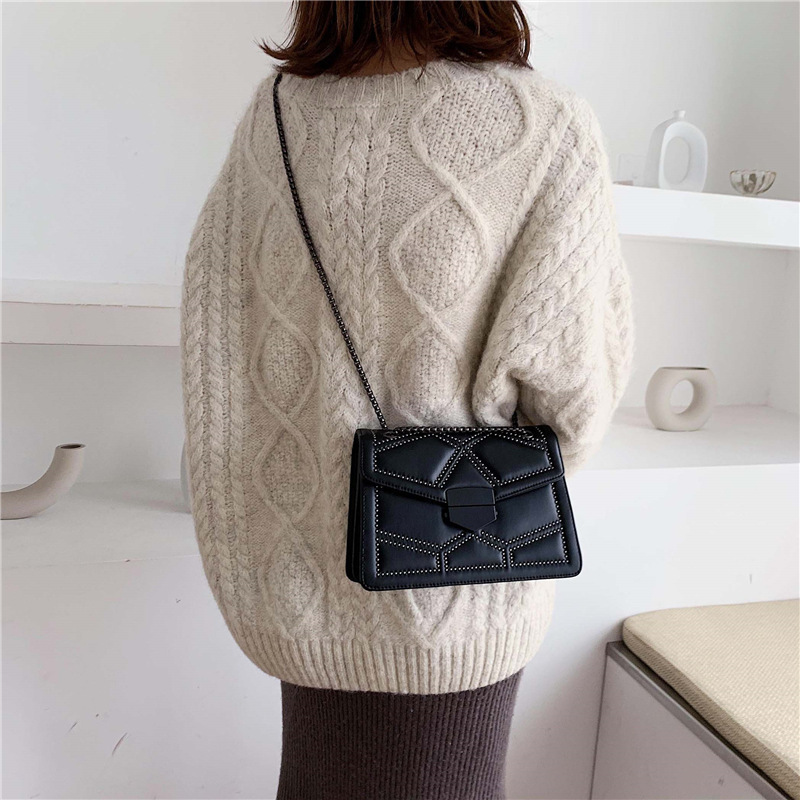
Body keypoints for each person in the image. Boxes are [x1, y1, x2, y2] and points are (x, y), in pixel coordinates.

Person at [180, 2, 634, 797]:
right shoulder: (543, 125)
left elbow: (219, 347)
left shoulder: (276, 115)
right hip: (463, 578)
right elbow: (573, 392)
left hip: (300, 587)